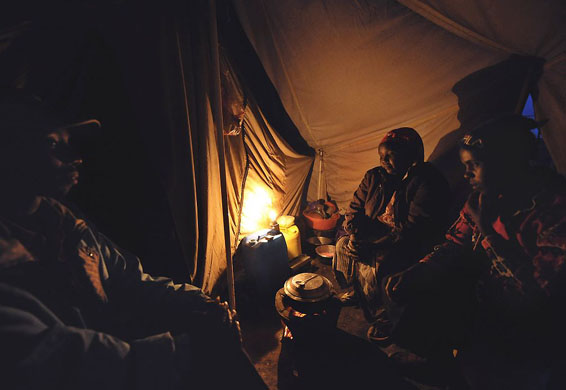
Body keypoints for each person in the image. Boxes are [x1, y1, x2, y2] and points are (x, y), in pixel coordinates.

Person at [0, 90, 267, 390]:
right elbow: (61, 363)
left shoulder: (66, 224)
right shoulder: (10, 266)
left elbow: (131, 279)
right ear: (11, 152)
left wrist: (199, 301)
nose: (76, 157)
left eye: (71, 142)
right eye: (52, 144)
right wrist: (185, 352)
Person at [384, 114, 566, 389]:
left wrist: (489, 232)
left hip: (533, 319)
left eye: (474, 165)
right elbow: (455, 242)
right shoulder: (481, 197)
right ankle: (440, 365)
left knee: (484, 368)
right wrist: (418, 270)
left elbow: (536, 294)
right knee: (424, 288)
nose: (466, 174)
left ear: (507, 163)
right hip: (489, 292)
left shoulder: (552, 209)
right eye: (464, 166)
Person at [333, 127, 450, 342]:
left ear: (410, 155)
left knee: (377, 263)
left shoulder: (425, 181)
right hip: (372, 234)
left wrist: (372, 246)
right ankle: (357, 292)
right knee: (341, 246)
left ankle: (383, 316)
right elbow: (354, 209)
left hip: (403, 240)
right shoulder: (374, 177)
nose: (384, 161)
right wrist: (353, 236)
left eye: (390, 156)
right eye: (381, 156)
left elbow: (412, 228)